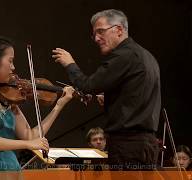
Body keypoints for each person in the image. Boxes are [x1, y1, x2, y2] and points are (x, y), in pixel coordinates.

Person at [52, 9, 161, 170]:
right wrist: (112, 99)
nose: (96, 38)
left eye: (101, 31)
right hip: (146, 144)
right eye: (94, 34)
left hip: (127, 145)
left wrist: (70, 64)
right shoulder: (146, 56)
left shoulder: (123, 56)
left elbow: (88, 86)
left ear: (119, 30)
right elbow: (135, 97)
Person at [0, 34, 74, 172]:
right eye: (10, 61)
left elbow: (31, 135)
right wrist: (27, 144)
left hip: (12, 167)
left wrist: (59, 106)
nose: (13, 67)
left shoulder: (6, 98)